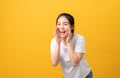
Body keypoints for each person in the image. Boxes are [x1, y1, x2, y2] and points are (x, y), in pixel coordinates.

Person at [50, 13, 92, 78]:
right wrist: (58, 43)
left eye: (65, 24)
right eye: (59, 24)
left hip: (84, 76)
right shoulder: (54, 41)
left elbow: (74, 63)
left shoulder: (79, 39)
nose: (61, 27)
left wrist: (68, 43)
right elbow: (54, 63)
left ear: (72, 26)